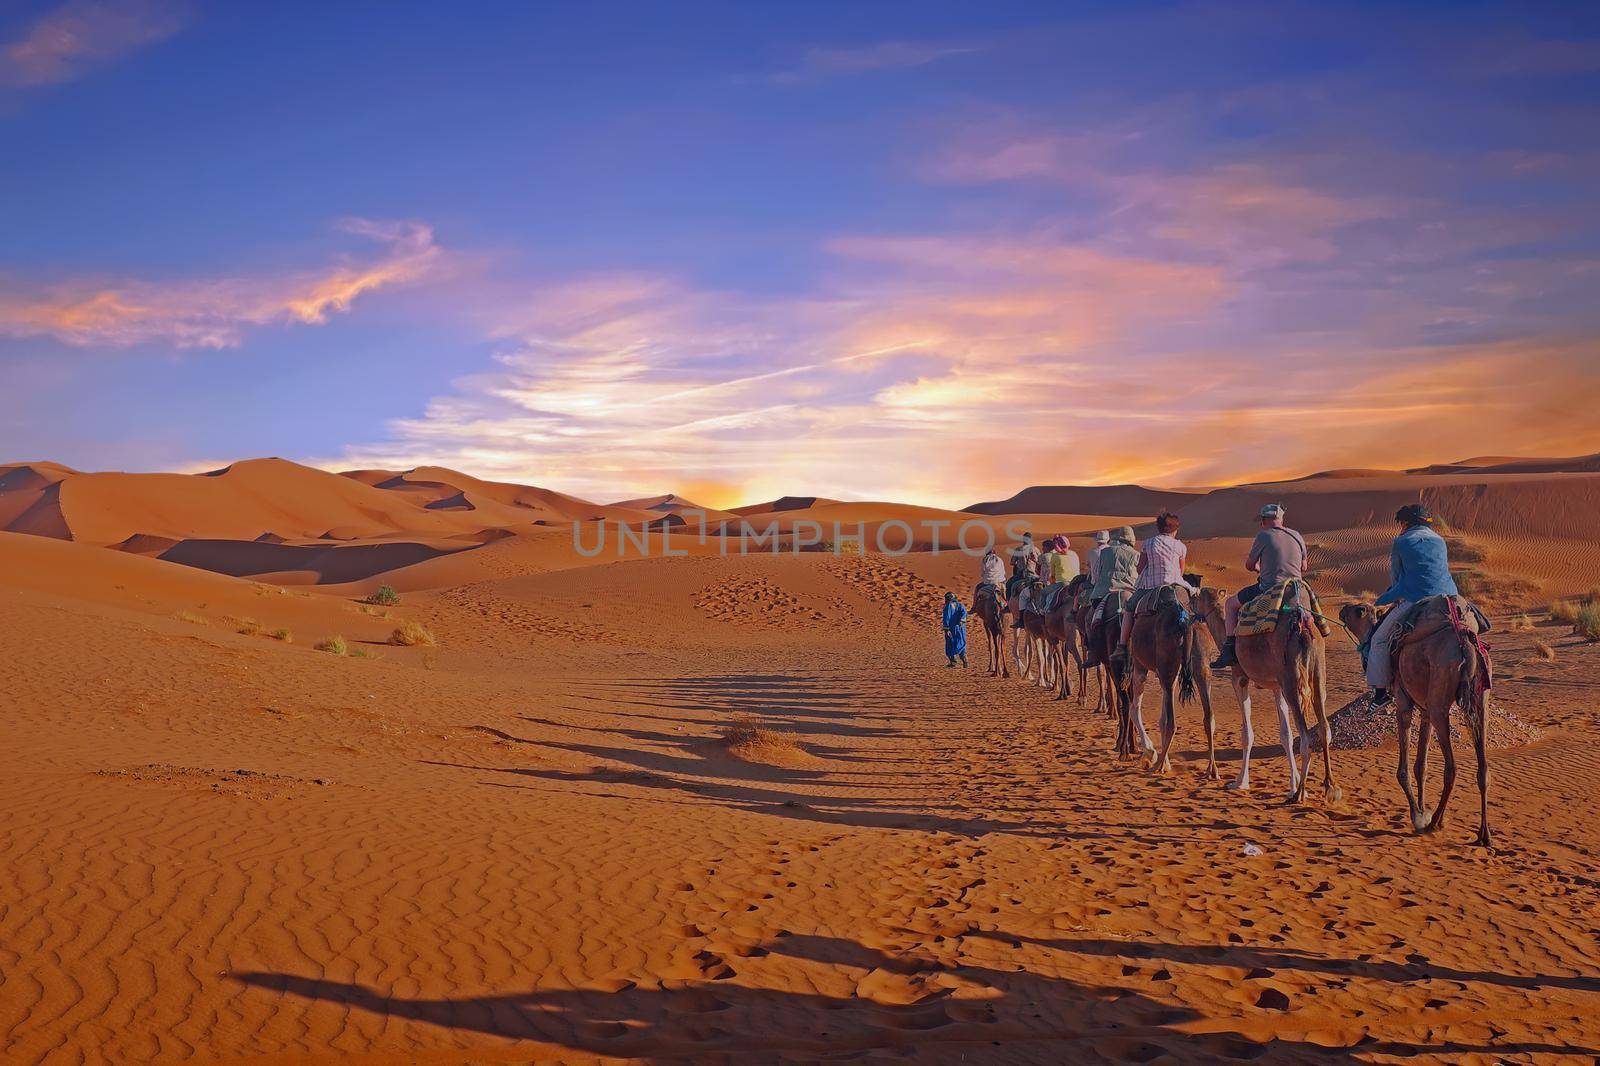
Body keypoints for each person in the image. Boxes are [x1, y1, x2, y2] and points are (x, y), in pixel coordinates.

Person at [1365, 503, 1458, 707]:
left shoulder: (1401, 541)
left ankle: (1380, 694)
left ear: (1406, 523)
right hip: (1449, 596)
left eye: (1402, 523)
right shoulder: (1440, 540)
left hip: (1416, 598)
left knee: (1379, 640)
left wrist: (1385, 599)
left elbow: (1397, 577)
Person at [1211, 502, 1309, 669]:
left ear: (1264, 520)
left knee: (1230, 604)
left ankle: (1229, 650)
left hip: (1270, 588)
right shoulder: (1297, 536)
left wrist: (1260, 569)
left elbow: (1249, 565)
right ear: (1281, 520)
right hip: (1296, 589)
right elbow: (1304, 567)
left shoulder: (1264, 536)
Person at [1115, 510, 1192, 660]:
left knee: (1130, 607)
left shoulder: (1148, 543)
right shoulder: (1181, 546)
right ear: (1175, 529)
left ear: (1159, 527)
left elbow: (1139, 568)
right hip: (1175, 585)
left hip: (1151, 587)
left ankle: (1122, 645)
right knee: (1195, 607)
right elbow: (1181, 571)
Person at [1081, 526, 1139, 667]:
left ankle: (1092, 653)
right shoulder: (1136, 554)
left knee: (1089, 619)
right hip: (1130, 591)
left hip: (1105, 591)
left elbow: (1098, 572)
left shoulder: (1106, 552)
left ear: (1118, 538)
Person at [942, 592, 969, 668]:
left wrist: (947, 629)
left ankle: (955, 662)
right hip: (960, 628)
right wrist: (962, 621)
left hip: (953, 629)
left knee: (951, 644)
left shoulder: (948, 606)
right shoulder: (960, 605)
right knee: (960, 643)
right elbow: (964, 614)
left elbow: (946, 618)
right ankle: (964, 662)